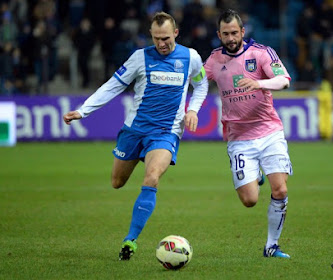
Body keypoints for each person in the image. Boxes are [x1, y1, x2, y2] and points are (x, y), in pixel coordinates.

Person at [63, 11, 208, 261]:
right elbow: (114, 85)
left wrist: (192, 109)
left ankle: (130, 240)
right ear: (150, 36)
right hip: (135, 130)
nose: (162, 44)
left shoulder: (190, 57)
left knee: (151, 177)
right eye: (156, 39)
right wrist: (83, 110)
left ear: (176, 33)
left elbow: (201, 84)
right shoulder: (140, 58)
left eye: (166, 38)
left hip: (166, 132)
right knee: (117, 182)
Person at [203, 9, 292, 258]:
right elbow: (197, 80)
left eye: (234, 33)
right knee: (250, 199)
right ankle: (257, 175)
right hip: (239, 137)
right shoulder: (214, 60)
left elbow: (284, 79)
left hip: (269, 130)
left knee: (281, 190)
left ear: (243, 32)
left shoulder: (261, 53)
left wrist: (259, 83)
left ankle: (271, 246)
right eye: (225, 34)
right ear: (219, 34)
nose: (230, 38)